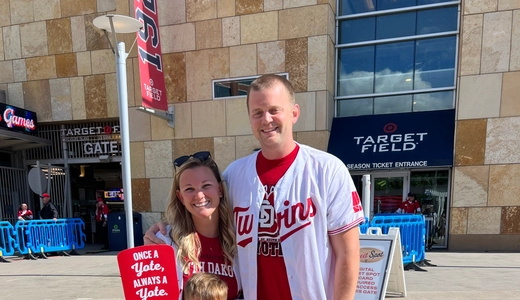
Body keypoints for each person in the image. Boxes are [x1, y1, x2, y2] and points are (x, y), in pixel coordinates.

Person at [145, 74, 365, 300]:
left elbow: (348, 254)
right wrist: (166, 231)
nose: (266, 119)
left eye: (274, 110)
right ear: (250, 119)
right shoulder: (235, 174)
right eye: (257, 113)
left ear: (294, 113)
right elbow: (206, 214)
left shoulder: (327, 169)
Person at [155, 153, 240, 300]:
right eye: (189, 189)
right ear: (180, 197)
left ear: (219, 190)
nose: (199, 195)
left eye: (206, 185)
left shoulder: (240, 241)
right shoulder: (165, 242)